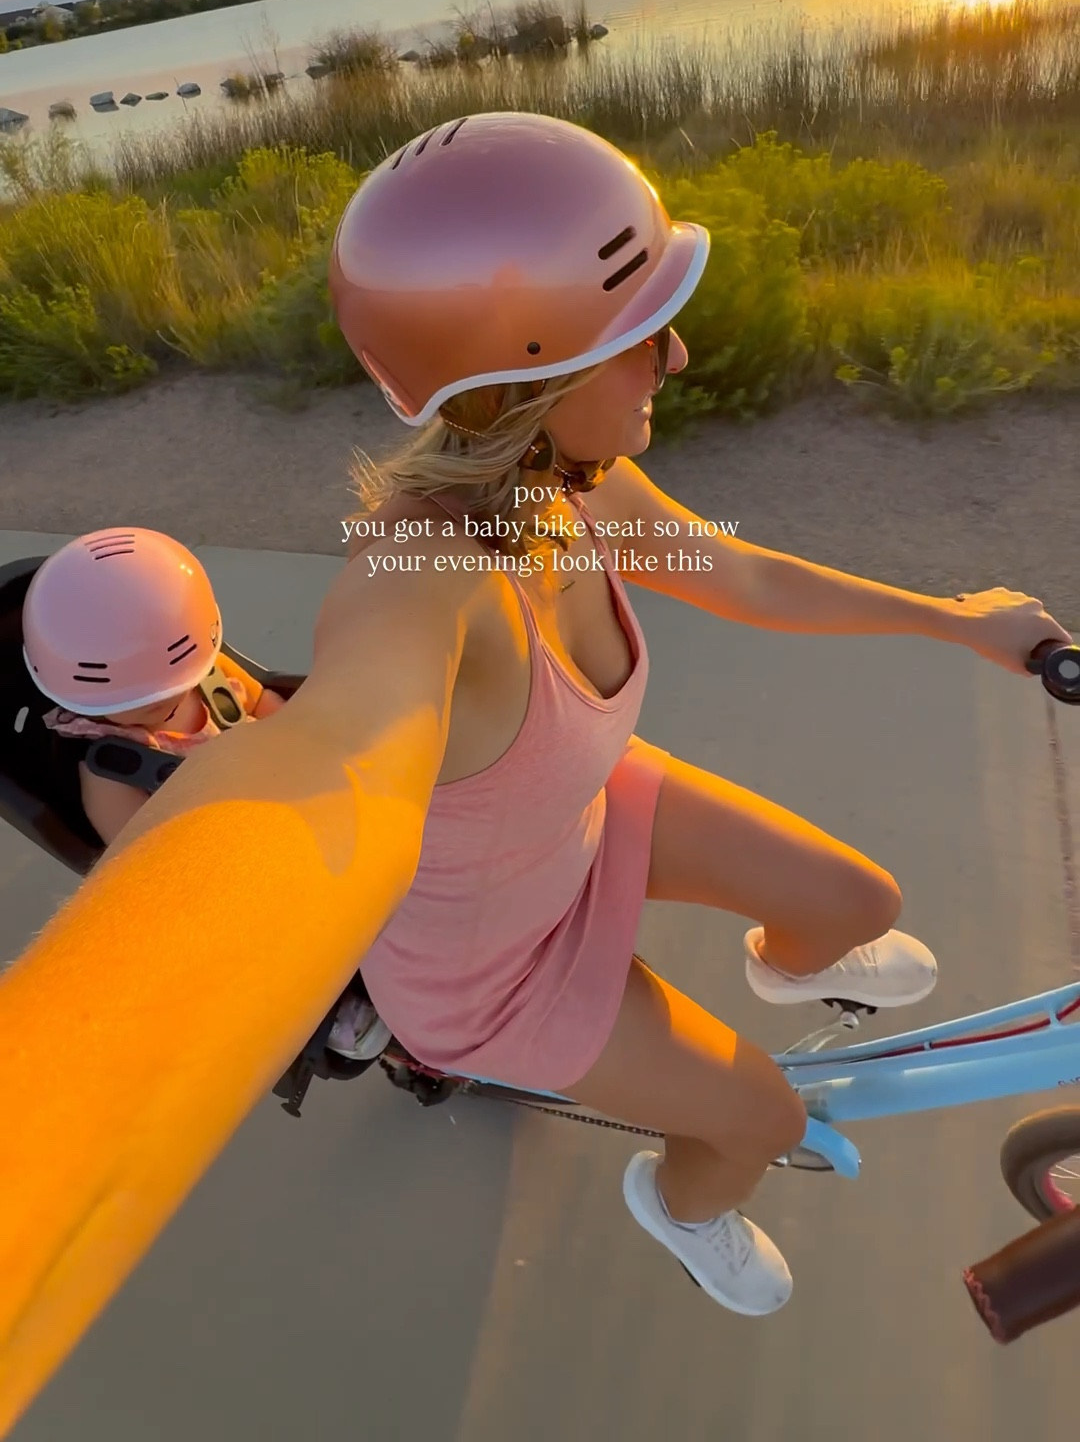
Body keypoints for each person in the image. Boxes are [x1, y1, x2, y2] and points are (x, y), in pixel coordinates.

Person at [0, 111, 1071, 1430]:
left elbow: (733, 571)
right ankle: (684, 1206)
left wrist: (959, 622)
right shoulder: (420, 582)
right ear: (529, 368)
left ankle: (793, 969)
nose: (677, 353)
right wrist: (47, 1131)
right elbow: (330, 763)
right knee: (755, 1119)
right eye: (641, 335)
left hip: (581, 816)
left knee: (858, 902)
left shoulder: (578, 478)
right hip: (490, 968)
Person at [21, 527, 286, 846]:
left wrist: (304, 746)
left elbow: (266, 705)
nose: (164, 695)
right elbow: (140, 853)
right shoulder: (110, 768)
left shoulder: (206, 674)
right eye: (134, 694)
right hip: (229, 847)